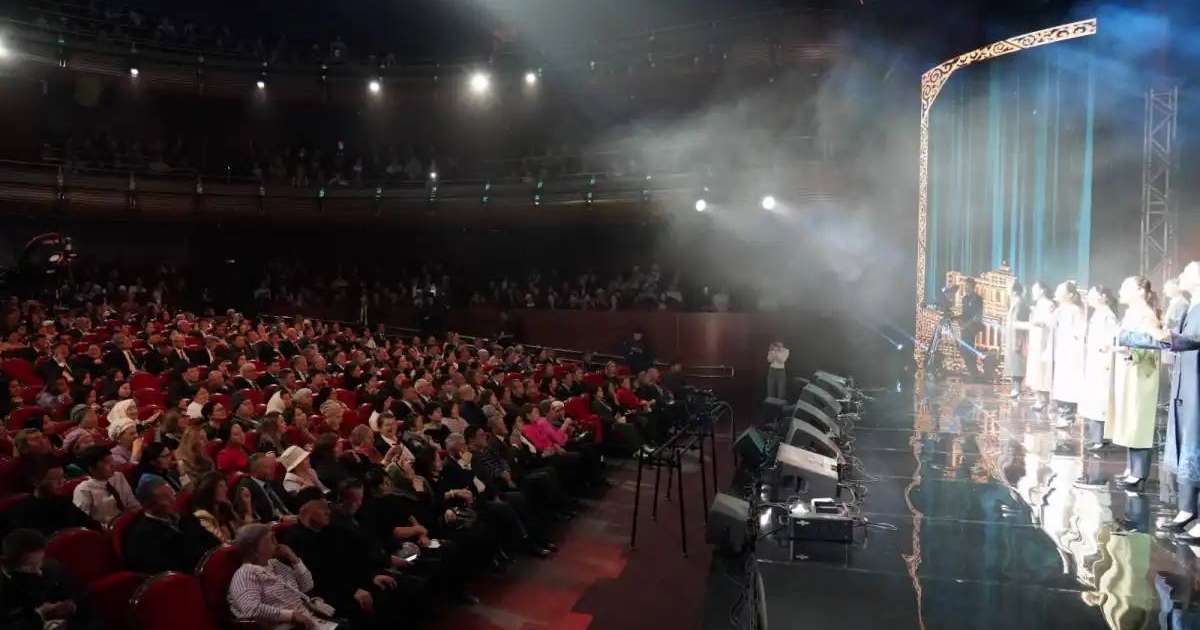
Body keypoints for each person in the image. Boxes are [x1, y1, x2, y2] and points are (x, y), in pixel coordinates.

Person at [227, 523, 327, 629]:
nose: (277, 542)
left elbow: (307, 586)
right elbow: (251, 609)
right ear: (254, 547)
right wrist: (291, 616)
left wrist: (295, 560)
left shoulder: (275, 563)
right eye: (271, 539)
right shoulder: (245, 573)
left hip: (307, 621)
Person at [1113, 276, 1161, 491]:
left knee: (1139, 421)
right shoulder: (1132, 314)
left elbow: (1153, 345)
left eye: (1126, 286)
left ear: (1140, 290)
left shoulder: (1147, 315)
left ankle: (1139, 472)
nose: (1121, 290)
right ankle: (1132, 468)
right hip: (1130, 371)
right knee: (1130, 419)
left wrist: (1133, 354)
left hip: (1143, 374)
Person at [0, 528, 98, 630]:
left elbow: (82, 597)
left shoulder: (53, 568)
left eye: (40, 561)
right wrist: (40, 615)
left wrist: (72, 606)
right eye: (30, 566)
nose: (39, 571)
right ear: (7, 565)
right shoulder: (6, 589)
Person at [123, 476, 210, 574]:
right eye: (166, 498)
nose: (173, 499)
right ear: (150, 505)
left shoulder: (179, 517)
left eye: (172, 494)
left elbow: (206, 538)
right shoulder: (144, 537)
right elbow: (169, 570)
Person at [0, 463, 98, 536]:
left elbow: (90, 525)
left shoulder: (65, 502)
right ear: (36, 482)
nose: (62, 482)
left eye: (62, 477)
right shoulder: (20, 512)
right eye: (54, 479)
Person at [1079, 286, 1119, 452]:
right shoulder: (1098, 313)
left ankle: (1100, 439)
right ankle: (1097, 438)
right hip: (1095, 361)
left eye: (1093, 294)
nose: (1089, 297)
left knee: (1099, 402)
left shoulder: (1108, 315)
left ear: (1103, 296)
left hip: (1103, 363)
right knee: (1094, 401)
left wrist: (1104, 350)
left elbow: (1111, 339)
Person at [71, 445, 140, 526]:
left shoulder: (118, 477)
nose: (113, 465)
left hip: (129, 523)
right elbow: (85, 523)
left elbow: (132, 502)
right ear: (91, 469)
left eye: (112, 460)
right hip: (108, 530)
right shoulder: (83, 490)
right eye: (107, 462)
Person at [1050, 281, 1086, 428]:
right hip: (1061, 351)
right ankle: (1062, 413)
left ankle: (1068, 415)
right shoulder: (1059, 310)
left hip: (1071, 353)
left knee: (1068, 385)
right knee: (1061, 384)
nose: (1057, 292)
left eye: (1060, 290)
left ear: (1070, 295)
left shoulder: (1075, 310)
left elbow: (1080, 331)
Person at [234, 452, 295, 523]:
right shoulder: (247, 488)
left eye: (270, 466)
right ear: (256, 471)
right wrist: (281, 519)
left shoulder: (272, 482)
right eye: (266, 467)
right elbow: (254, 516)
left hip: (290, 517)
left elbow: (287, 500)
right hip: (272, 526)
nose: (272, 470)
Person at [1026, 282, 1056, 412]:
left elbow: (1050, 322)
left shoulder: (1049, 304)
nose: (1033, 293)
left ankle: (1044, 399)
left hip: (1044, 343)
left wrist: (1040, 322)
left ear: (1042, 290)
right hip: (1035, 342)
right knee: (1035, 371)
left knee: (1042, 372)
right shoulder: (1037, 305)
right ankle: (1039, 398)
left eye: (1035, 290)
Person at [1003, 280, 1029, 399]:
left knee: (1017, 364)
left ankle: (1017, 389)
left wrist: (1017, 342)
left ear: (1014, 291)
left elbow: (1018, 323)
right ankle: (1015, 388)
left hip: (1017, 339)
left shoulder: (1019, 303)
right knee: (1014, 364)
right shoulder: (1015, 303)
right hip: (1012, 338)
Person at [959, 278, 984, 381]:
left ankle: (974, 373)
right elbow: (964, 313)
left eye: (967, 286)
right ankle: (973, 372)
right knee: (964, 350)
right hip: (964, 328)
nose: (965, 288)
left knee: (969, 349)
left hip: (972, 328)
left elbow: (977, 316)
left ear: (972, 286)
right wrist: (960, 322)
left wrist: (967, 325)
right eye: (965, 286)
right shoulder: (964, 299)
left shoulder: (978, 299)